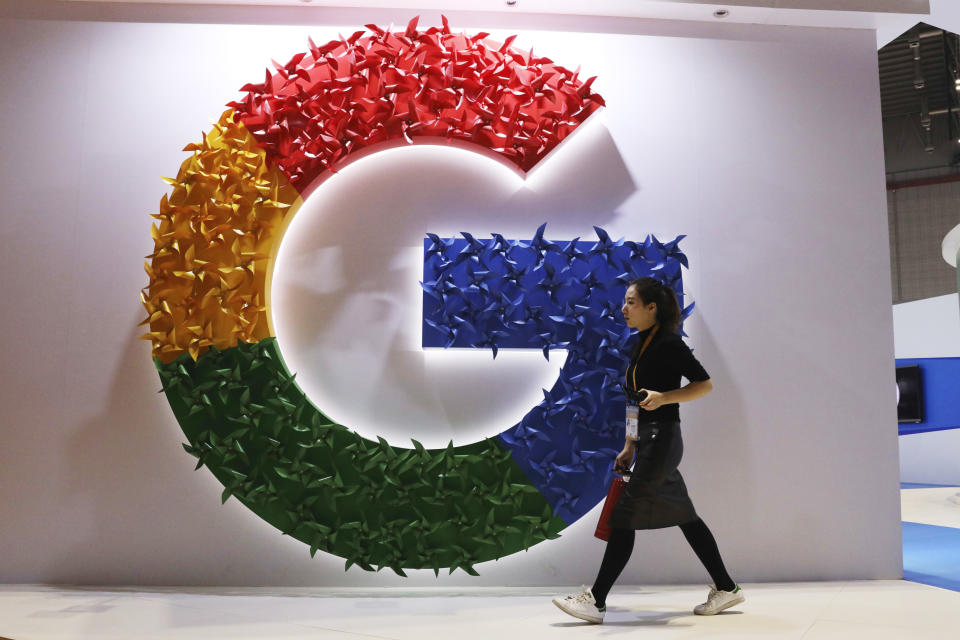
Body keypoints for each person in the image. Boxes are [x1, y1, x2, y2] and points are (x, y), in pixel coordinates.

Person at [551, 276, 743, 624]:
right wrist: (628, 444)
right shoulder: (639, 345)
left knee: (623, 516)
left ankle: (595, 601)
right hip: (650, 441)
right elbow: (633, 401)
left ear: (651, 308)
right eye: (625, 302)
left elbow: (705, 384)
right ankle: (727, 587)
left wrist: (666, 397)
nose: (623, 309)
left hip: (665, 439)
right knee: (686, 517)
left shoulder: (670, 343)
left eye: (631, 302)